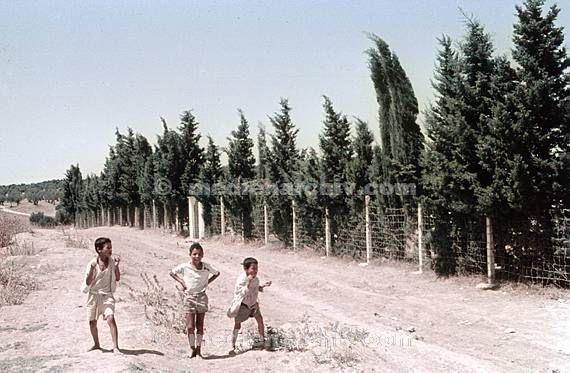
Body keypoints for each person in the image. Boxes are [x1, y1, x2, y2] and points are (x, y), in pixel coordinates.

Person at [170, 242, 220, 358]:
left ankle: (199, 349)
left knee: (200, 325)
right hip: (189, 297)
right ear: (190, 254)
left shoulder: (206, 267)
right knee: (190, 326)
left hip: (201, 297)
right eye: (194, 254)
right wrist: (182, 282)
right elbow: (172, 272)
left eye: (199, 254)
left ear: (202, 255)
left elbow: (217, 273)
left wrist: (207, 282)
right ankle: (191, 347)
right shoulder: (185, 266)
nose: (197, 256)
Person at [83, 237, 121, 353]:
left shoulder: (111, 262)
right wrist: (92, 270)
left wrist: (117, 266)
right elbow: (88, 282)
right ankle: (96, 344)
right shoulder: (92, 263)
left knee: (111, 319)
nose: (110, 250)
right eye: (107, 248)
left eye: (111, 247)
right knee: (92, 322)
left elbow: (118, 278)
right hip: (93, 296)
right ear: (99, 250)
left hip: (107, 295)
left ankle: (115, 347)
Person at [227, 257, 271, 352]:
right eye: (253, 268)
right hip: (243, 305)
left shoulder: (256, 279)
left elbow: (255, 288)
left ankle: (262, 340)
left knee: (260, 319)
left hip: (253, 303)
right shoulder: (241, 280)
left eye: (256, 268)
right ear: (246, 269)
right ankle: (233, 344)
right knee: (237, 324)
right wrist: (248, 281)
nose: (255, 271)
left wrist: (263, 286)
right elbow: (243, 292)